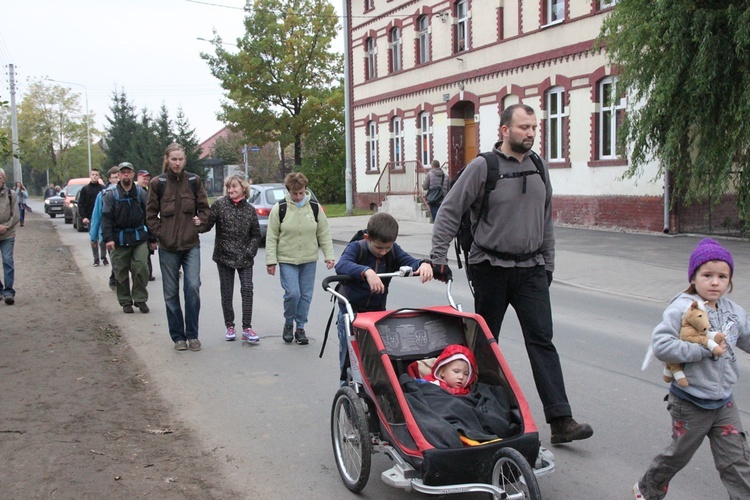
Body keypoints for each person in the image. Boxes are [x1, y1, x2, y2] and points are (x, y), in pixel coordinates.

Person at [429, 103, 592, 445]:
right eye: (523, 127)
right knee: (487, 344)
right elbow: (449, 210)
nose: (531, 133)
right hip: (490, 268)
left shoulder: (537, 166)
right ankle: (482, 413)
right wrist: (438, 257)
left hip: (531, 269)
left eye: (534, 127)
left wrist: (548, 263)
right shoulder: (483, 167)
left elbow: (545, 219)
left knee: (542, 341)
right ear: (504, 130)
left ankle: (561, 420)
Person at [633, 238, 750, 500]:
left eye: (722, 276)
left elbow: (747, 338)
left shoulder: (735, 313)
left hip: (723, 403)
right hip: (690, 401)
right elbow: (661, 345)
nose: (715, 282)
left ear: (729, 281)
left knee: (738, 461)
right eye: (707, 275)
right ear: (694, 277)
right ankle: (646, 489)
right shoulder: (683, 308)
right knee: (678, 456)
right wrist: (704, 349)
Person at [335, 212, 433, 382]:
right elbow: (342, 265)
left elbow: (409, 261)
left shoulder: (392, 251)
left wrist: (424, 264)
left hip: (376, 314)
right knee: (350, 360)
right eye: (379, 247)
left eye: (387, 247)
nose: (383, 252)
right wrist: (366, 271)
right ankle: (346, 391)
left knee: (377, 357)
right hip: (351, 313)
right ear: (367, 238)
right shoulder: (357, 248)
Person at [146, 143, 209, 352]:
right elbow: (150, 214)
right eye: (173, 159)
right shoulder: (158, 183)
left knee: (192, 288)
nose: (177, 162)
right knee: (171, 293)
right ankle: (178, 337)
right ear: (167, 159)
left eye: (180, 159)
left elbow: (205, 210)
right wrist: (160, 233)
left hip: (191, 245)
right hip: (168, 247)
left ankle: (192, 335)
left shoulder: (193, 181)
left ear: (185, 160)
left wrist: (201, 225)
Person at [266, 172, 335, 345]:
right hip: (287, 259)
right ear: (288, 191)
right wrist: (271, 261)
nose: (298, 196)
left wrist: (329, 256)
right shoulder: (280, 208)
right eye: (294, 193)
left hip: (309, 258)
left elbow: (324, 233)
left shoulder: (314, 207)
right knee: (293, 294)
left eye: (301, 193)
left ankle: (300, 327)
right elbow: (272, 236)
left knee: (305, 295)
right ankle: (289, 323)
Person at [201, 175, 261, 343]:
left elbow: (256, 235)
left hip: (245, 257)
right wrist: (198, 223)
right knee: (227, 292)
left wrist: (249, 252)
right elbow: (207, 226)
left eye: (234, 187)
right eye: (228, 187)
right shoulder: (219, 205)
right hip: (224, 256)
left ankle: (247, 328)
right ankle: (230, 325)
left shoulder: (249, 210)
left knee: (247, 289)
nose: (231, 190)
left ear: (243, 188)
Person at [101, 162, 153, 314]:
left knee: (142, 268)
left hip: (138, 237)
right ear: (118, 175)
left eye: (128, 172)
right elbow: (106, 218)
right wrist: (108, 239)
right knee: (121, 272)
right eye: (122, 172)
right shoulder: (111, 196)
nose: (125, 174)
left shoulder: (140, 193)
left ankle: (140, 299)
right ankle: (125, 301)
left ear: (132, 174)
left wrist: (153, 239)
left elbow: (149, 216)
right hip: (119, 239)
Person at [89, 166, 119, 279]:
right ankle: (115, 280)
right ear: (110, 179)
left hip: (126, 235)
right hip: (109, 234)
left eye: (118, 177)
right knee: (116, 262)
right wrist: (93, 236)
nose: (117, 180)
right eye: (114, 178)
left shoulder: (131, 192)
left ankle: (116, 278)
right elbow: (96, 216)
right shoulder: (103, 195)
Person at [78, 169, 107, 266]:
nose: (94, 176)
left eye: (96, 175)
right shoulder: (85, 189)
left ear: (99, 177)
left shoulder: (103, 189)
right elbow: (81, 204)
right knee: (94, 239)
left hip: (102, 218)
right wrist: (84, 217)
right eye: (93, 174)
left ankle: (103, 256)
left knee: (103, 239)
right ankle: (96, 259)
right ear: (90, 176)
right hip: (90, 218)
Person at [0, 169, 20, 304]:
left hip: (7, 234)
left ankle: (8, 292)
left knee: (8, 261)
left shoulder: (11, 195)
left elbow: (16, 215)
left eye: (0, 177)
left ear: (4, 178)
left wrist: (5, 226)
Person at [136, 170, 155, 281]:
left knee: (147, 251)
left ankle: (148, 274)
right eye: (144, 179)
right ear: (138, 178)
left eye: (148, 179)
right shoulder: (134, 192)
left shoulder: (148, 192)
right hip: (138, 227)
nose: (146, 181)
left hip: (147, 226)